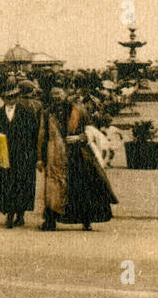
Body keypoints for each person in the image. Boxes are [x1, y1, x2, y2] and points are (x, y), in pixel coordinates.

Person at [37, 88, 117, 231]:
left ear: (65, 94)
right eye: (54, 94)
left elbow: (93, 129)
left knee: (82, 188)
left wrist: (80, 138)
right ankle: (51, 221)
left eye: (59, 93)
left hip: (78, 154)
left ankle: (86, 220)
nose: (57, 97)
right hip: (55, 156)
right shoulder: (46, 113)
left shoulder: (78, 110)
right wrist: (40, 158)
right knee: (54, 190)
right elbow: (42, 137)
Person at [0, 85, 41, 228]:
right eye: (7, 98)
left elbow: (34, 134)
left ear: (17, 98)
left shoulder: (26, 113)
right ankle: (9, 214)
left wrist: (33, 154)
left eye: (13, 98)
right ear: (4, 99)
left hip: (23, 154)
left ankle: (20, 214)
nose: (10, 101)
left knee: (22, 184)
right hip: (4, 153)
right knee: (5, 183)